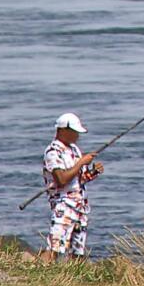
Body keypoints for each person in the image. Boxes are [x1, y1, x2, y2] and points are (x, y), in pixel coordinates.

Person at [40, 111, 103, 260]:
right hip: (64, 206)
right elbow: (61, 179)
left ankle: (75, 280)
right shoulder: (53, 152)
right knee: (54, 248)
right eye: (74, 132)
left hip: (80, 207)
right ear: (63, 131)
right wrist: (81, 162)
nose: (77, 136)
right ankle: (37, 274)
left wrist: (92, 172)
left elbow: (78, 179)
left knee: (78, 253)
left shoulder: (74, 150)